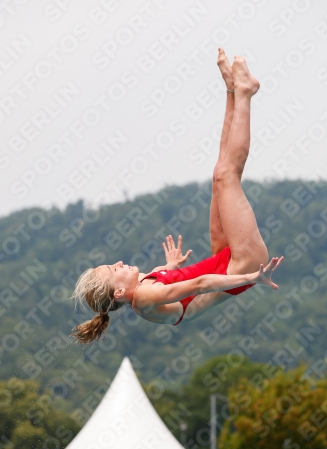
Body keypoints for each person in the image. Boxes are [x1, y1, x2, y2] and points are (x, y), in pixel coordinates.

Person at [71, 49, 283, 344]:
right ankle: (245, 92)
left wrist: (169, 266)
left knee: (218, 176)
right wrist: (253, 279)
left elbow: (173, 281)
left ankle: (232, 90)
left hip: (223, 259)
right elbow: (199, 284)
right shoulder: (144, 297)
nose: (118, 262)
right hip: (244, 265)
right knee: (226, 175)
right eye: (113, 269)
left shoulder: (145, 284)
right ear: (119, 292)